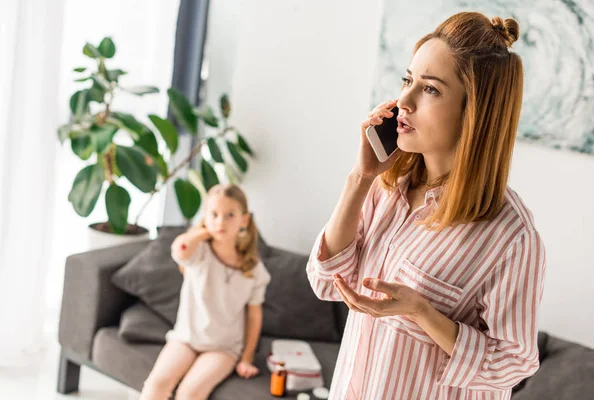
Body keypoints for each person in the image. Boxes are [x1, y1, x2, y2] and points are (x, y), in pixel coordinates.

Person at [306, 12, 546, 400]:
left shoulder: (510, 236)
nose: (404, 100)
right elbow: (325, 281)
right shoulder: (388, 188)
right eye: (407, 80)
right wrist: (360, 177)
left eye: (430, 89)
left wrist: (422, 312)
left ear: (474, 113)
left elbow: (512, 365)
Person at [140, 184, 271, 400]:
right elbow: (179, 249)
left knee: (189, 394)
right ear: (205, 217)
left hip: (223, 348)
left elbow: (255, 315)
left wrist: (246, 358)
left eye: (230, 215)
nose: (221, 222)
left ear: (244, 220)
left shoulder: (254, 270)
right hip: (185, 340)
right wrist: (203, 232)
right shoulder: (199, 253)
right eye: (214, 214)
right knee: (156, 384)